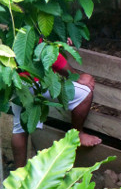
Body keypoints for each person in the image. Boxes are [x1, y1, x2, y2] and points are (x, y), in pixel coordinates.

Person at [11, 38, 100, 168]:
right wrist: (76, 76)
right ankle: (77, 133)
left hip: (16, 79)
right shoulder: (36, 24)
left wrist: (58, 41)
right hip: (34, 79)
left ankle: (18, 176)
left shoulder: (16, 22)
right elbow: (48, 53)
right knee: (85, 93)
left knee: (19, 128)